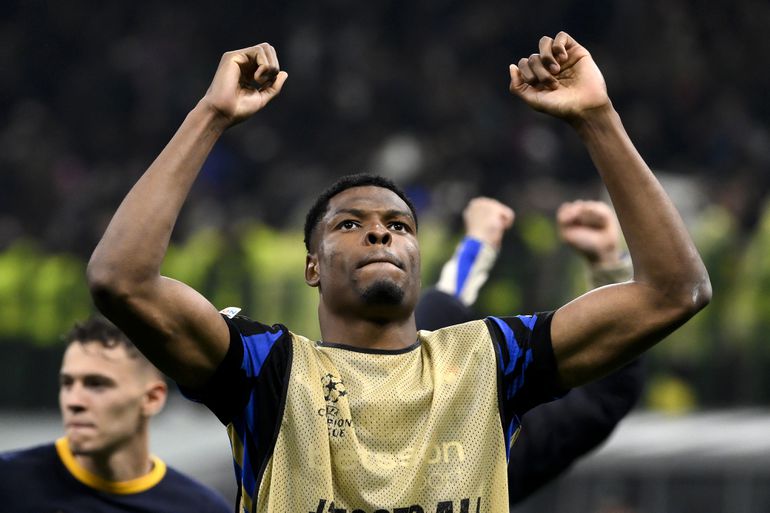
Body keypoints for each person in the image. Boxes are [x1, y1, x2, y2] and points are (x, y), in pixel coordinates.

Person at [86, 33, 710, 513]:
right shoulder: (267, 370)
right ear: (311, 267)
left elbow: (674, 292)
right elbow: (121, 281)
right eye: (349, 224)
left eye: (399, 224)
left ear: (417, 257)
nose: (381, 231)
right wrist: (211, 115)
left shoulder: (490, 361)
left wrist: (597, 118)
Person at [415, 197, 642, 505]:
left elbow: (600, 398)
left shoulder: (495, 446)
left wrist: (473, 254)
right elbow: (603, 398)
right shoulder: (489, 457)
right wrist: (609, 272)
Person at [0, 317, 231, 512]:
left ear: (152, 398)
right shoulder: (9, 484)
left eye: (97, 384)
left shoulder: (200, 508)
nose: (74, 401)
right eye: (67, 383)